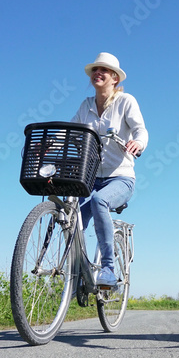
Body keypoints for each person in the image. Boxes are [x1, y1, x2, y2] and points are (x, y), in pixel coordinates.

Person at [70, 52, 148, 287]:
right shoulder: (86, 106)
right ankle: (78, 274)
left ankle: (108, 270)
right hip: (91, 177)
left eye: (104, 70)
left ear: (115, 78)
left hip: (120, 178)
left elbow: (140, 130)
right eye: (95, 70)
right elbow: (71, 131)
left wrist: (138, 142)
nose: (98, 73)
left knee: (99, 201)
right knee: (72, 218)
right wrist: (48, 144)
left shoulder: (126, 102)